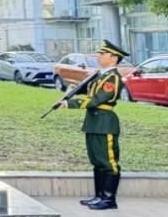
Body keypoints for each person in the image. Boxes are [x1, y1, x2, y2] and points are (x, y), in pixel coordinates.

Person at [59, 40, 128, 211]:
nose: (99, 56)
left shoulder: (112, 77)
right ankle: (99, 196)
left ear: (113, 59)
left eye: (103, 54)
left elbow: (97, 99)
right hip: (93, 122)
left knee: (108, 162)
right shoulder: (101, 74)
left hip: (105, 122)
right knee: (97, 161)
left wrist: (71, 104)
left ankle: (109, 199)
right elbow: (86, 90)